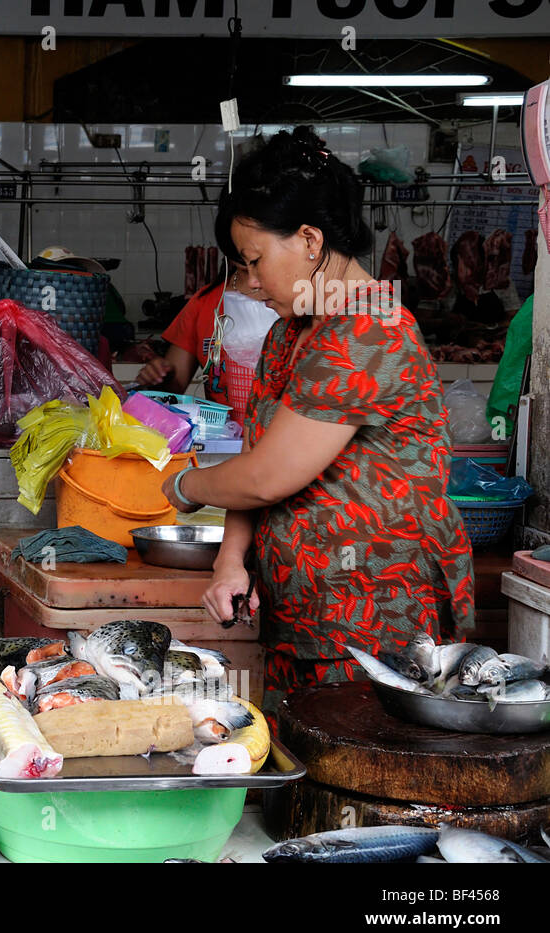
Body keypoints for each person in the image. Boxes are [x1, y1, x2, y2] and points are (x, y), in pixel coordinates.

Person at [159, 126, 474, 716]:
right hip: (302, 618)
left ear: (309, 239)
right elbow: (259, 454)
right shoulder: (288, 335)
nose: (250, 282)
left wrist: (183, 485)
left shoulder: (369, 328)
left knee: (366, 780)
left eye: (255, 261)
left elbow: (265, 477)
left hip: (374, 625)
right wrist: (231, 560)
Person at [135, 261, 276, 416]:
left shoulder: (297, 300)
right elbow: (173, 387)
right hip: (225, 435)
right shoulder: (204, 301)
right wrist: (158, 375)